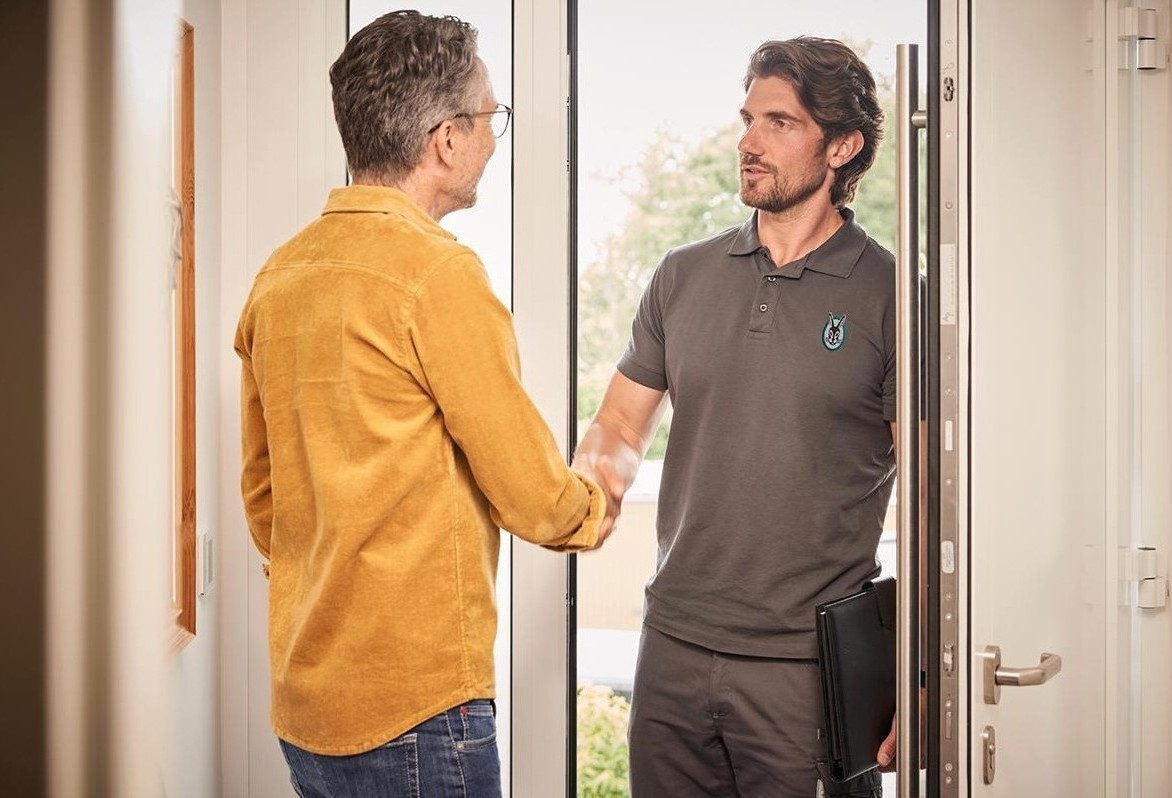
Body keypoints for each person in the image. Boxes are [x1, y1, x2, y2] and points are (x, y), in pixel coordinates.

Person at [234, 11, 610, 797]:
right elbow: (531, 493)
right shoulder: (437, 276)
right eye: (490, 117)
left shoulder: (281, 275)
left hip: (307, 704)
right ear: (446, 139)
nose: (493, 138)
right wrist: (591, 507)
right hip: (416, 707)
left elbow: (263, 499)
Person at [573, 37, 894, 797]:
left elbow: (935, 505)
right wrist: (585, 496)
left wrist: (917, 677)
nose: (747, 142)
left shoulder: (891, 293)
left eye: (779, 123)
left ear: (842, 147)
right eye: (747, 119)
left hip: (807, 671)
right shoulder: (683, 274)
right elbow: (619, 428)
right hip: (673, 648)